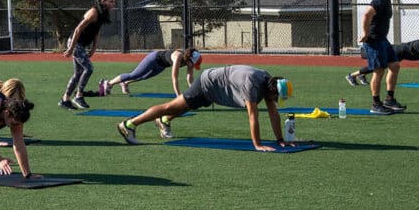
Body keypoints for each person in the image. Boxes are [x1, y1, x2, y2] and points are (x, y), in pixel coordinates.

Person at [115, 65, 294, 152]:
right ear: (273, 90)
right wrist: (258, 145)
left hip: (217, 88)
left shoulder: (269, 82)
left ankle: (164, 121)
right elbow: (252, 117)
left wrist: (279, 140)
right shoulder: (252, 84)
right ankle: (129, 124)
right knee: (170, 106)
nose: (275, 101)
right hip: (208, 83)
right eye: (276, 97)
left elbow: (274, 113)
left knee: (186, 107)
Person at [356, 0, 407, 115]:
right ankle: (375, 104)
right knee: (379, 71)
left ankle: (389, 100)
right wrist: (365, 34)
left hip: (383, 40)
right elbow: (367, 14)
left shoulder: (387, 0)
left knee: (395, 66)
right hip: (374, 41)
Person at [60, 0, 115, 110]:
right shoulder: (93, 12)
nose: (113, 4)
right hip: (75, 44)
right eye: (111, 1)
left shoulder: (103, 13)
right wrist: (70, 49)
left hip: (81, 46)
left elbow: (96, 32)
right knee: (89, 68)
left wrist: (94, 49)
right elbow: (77, 29)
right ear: (103, 1)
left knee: (78, 73)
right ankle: (79, 95)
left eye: (113, 1)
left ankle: (65, 99)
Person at [346, 36, 419, 88]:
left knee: (380, 65)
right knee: (380, 66)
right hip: (397, 51)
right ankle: (352, 75)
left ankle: (361, 76)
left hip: (401, 54)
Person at [98, 48, 202, 96]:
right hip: (153, 59)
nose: (193, 66)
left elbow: (189, 78)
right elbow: (174, 79)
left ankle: (125, 83)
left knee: (144, 77)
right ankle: (108, 83)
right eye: (193, 64)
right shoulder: (178, 57)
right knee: (135, 74)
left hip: (161, 66)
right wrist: (178, 96)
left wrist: (194, 92)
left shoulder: (189, 62)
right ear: (189, 59)